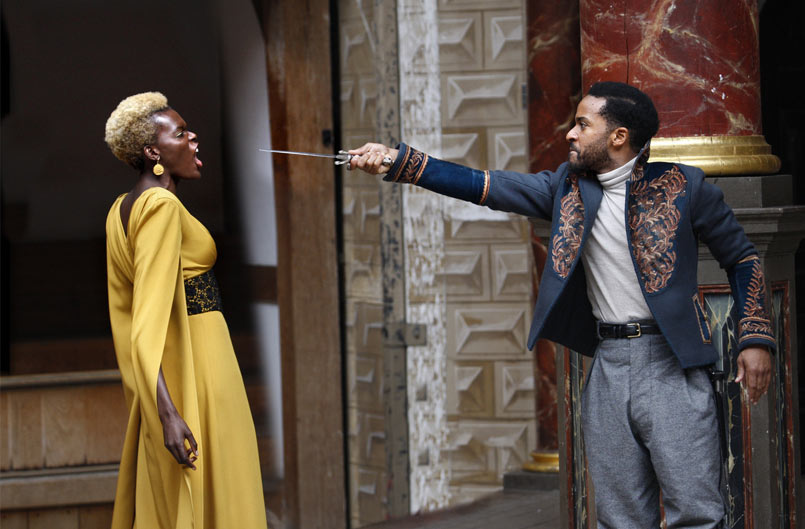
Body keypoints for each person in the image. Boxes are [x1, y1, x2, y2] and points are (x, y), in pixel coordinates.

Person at [348, 81, 774, 529]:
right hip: (608, 366)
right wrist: (400, 162)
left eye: (582, 124)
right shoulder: (565, 189)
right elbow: (483, 185)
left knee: (698, 516)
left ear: (618, 136)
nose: (570, 133)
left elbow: (743, 258)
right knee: (620, 519)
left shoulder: (686, 186)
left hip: (673, 365)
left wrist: (755, 337)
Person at [104, 92, 267, 529]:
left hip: (184, 367)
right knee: (224, 487)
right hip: (198, 370)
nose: (194, 138)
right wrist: (169, 414)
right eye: (180, 133)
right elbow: (143, 323)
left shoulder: (121, 209)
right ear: (153, 152)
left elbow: (127, 315)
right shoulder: (159, 206)